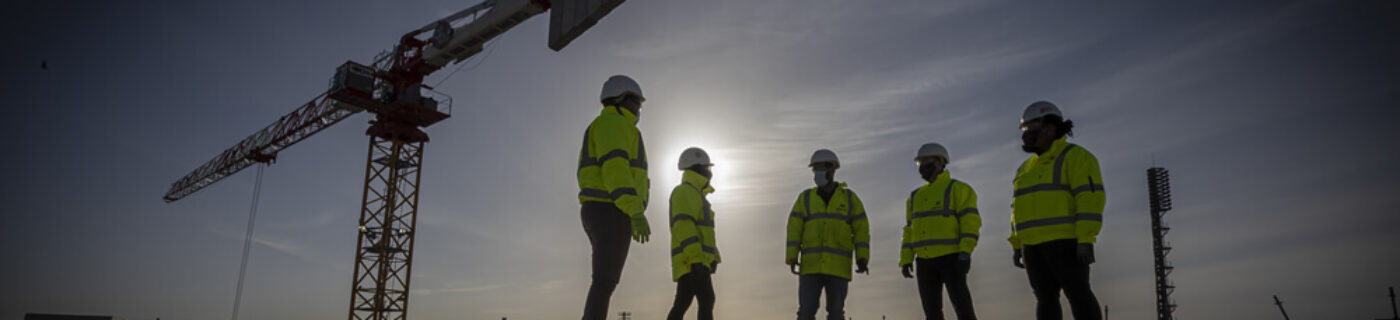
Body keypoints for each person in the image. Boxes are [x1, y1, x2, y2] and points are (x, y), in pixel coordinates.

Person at [1009, 101, 1106, 320]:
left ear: (1049, 127)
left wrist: (1085, 239)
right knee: (1045, 299)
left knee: (1078, 295)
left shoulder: (1076, 157)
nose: (1027, 134)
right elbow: (1016, 208)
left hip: (1066, 243)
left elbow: (1090, 199)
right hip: (1032, 246)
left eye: (1030, 128)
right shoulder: (1025, 168)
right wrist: (1017, 244)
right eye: (1024, 130)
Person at [576, 75, 652, 320]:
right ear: (621, 99)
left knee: (604, 282)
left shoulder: (607, 124)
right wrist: (635, 210)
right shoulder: (615, 124)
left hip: (602, 209)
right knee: (604, 282)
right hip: (612, 209)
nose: (639, 109)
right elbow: (615, 170)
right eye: (636, 103)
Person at [785, 149, 871, 320]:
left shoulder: (849, 199)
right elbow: (794, 228)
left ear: (833, 169)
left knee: (836, 312)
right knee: (806, 311)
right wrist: (792, 256)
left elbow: (861, 229)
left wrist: (862, 257)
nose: (817, 173)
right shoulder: (805, 198)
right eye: (814, 169)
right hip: (810, 267)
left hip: (838, 267)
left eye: (821, 168)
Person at [899, 143, 981, 320]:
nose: (921, 167)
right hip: (924, 262)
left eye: (925, 162)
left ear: (939, 162)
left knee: (964, 310)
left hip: (952, 258)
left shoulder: (958, 189)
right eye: (919, 163)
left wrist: (965, 253)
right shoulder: (914, 197)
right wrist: (906, 258)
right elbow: (909, 231)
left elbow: (970, 223)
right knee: (932, 314)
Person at [666, 147, 720, 320]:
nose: (709, 172)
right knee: (706, 299)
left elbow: (706, 232)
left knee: (682, 303)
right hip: (691, 260)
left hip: (696, 260)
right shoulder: (685, 192)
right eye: (707, 167)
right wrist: (696, 259)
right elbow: (684, 226)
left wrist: (714, 257)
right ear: (697, 167)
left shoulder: (696, 195)